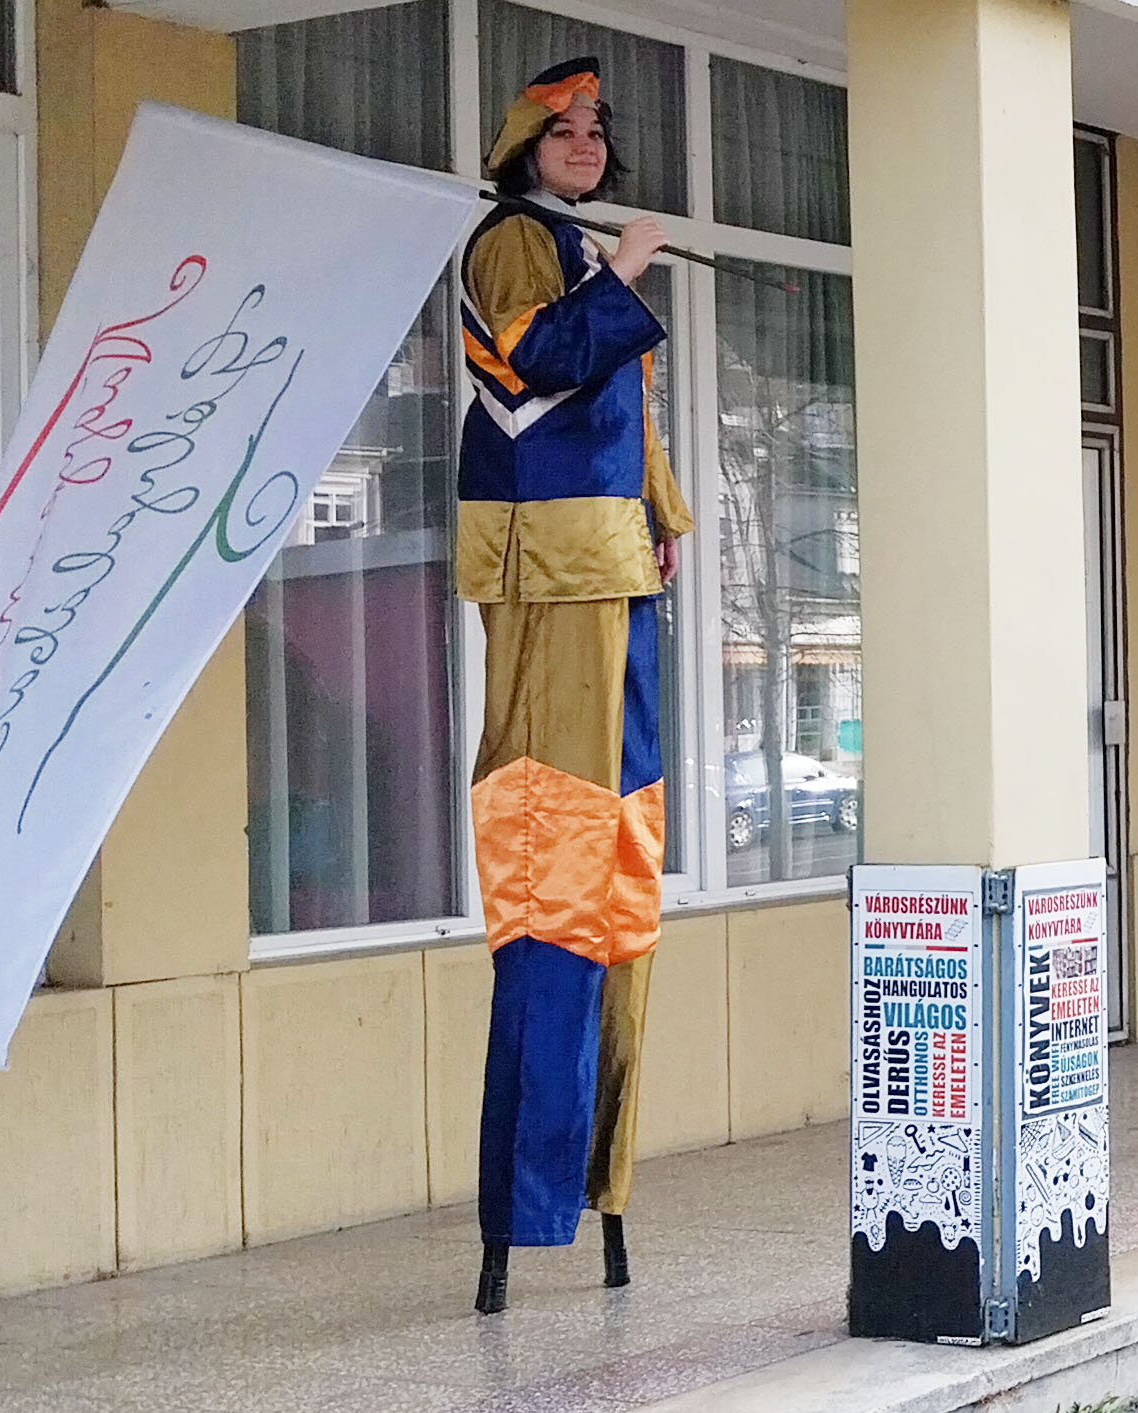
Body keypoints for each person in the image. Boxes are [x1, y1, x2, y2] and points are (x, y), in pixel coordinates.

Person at [457, 56, 696, 1312]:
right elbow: (531, 363)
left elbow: (619, 421)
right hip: (551, 574)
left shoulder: (567, 245)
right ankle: (536, 1198)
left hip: (610, 567)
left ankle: (598, 1179)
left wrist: (662, 517)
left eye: (599, 127)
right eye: (566, 127)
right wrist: (627, 272)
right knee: (556, 867)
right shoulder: (512, 241)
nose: (588, 141)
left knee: (619, 868)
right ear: (523, 143)